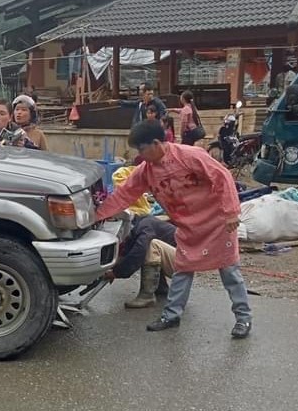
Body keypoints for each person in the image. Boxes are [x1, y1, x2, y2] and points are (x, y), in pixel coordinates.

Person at [96, 119, 252, 339]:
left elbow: (222, 177)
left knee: (230, 272)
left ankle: (243, 318)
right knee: (182, 270)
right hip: (188, 227)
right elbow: (125, 194)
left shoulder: (190, 156)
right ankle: (171, 315)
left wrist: (231, 212)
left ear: (157, 143)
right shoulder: (146, 170)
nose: (140, 155)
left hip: (217, 223)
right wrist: (97, 215)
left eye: (142, 149)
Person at [103, 216, 177, 308]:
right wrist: (116, 269)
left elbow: (137, 253)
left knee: (150, 246)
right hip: (183, 258)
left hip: (184, 263)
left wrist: (116, 272)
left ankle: (147, 296)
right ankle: (160, 288)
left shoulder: (144, 227)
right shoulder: (145, 224)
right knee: (147, 251)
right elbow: (128, 252)